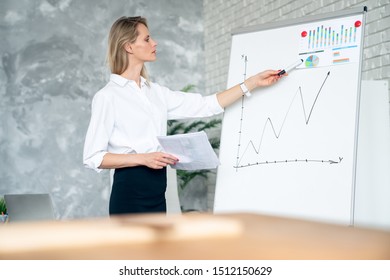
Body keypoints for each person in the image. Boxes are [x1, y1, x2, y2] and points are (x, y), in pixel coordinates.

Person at [83, 16, 283, 215]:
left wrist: (252, 83)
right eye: (147, 39)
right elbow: (94, 157)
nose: (154, 43)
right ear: (128, 47)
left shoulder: (156, 92)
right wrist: (143, 158)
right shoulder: (107, 96)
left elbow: (206, 105)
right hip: (130, 192)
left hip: (157, 189)